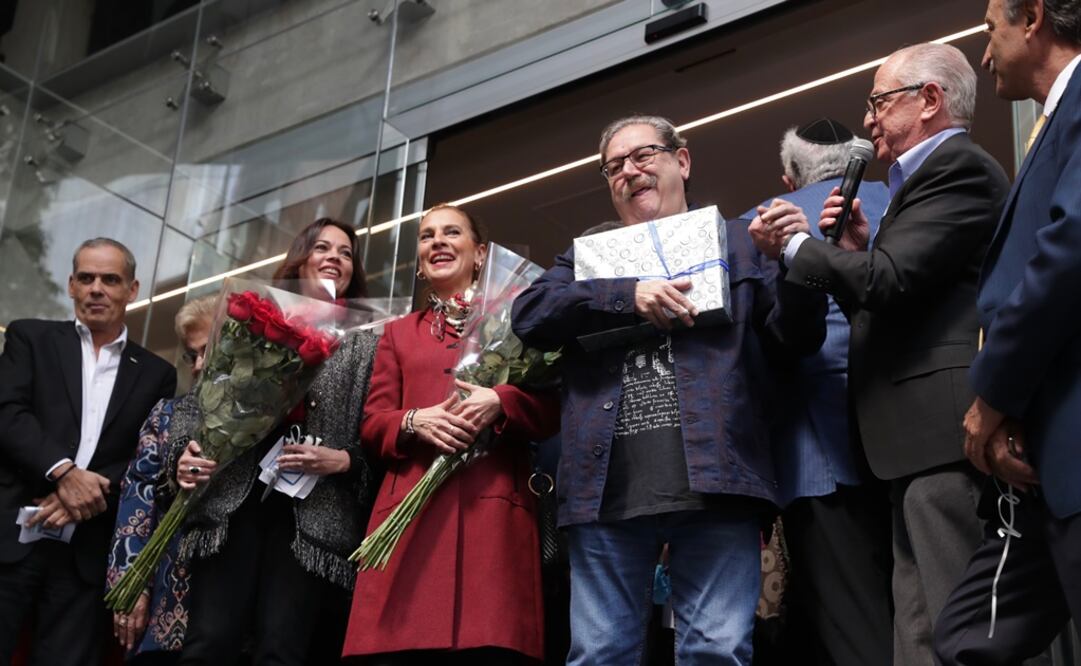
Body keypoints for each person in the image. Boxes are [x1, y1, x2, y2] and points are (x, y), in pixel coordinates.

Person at [511, 115, 827, 665]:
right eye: (614, 167)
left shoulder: (743, 241)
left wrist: (794, 257)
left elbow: (796, 340)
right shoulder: (585, 257)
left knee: (718, 649)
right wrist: (627, 294)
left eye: (643, 156)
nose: (629, 172)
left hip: (719, 478)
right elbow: (529, 313)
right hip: (604, 487)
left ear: (681, 160)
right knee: (599, 654)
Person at [749, 43, 1011, 665]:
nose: (867, 122)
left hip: (941, 439)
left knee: (955, 626)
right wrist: (861, 248)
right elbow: (899, 283)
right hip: (906, 450)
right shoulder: (918, 184)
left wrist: (795, 248)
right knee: (916, 633)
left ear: (928, 100)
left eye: (878, 102)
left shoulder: (959, 168)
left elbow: (888, 282)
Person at [342, 204, 560, 666]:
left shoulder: (520, 319)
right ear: (420, 262)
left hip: (493, 515)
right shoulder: (399, 334)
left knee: (489, 648)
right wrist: (412, 421)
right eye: (426, 237)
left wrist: (502, 401)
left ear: (480, 253)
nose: (437, 242)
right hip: (409, 520)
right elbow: (372, 425)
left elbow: (552, 410)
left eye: (451, 233)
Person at [933, 0, 1081, 662]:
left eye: (991, 33)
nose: (985, 55)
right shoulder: (1054, 123)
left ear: (1034, 19)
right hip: (1045, 456)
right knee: (965, 638)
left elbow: (1066, 254)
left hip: (1068, 441)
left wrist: (990, 400)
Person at [169, 218, 380, 666]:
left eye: (345, 253)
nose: (334, 258)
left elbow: (378, 426)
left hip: (311, 514)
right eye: (322, 247)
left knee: (281, 650)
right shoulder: (256, 315)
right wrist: (183, 453)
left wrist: (344, 459)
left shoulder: (369, 343)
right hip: (235, 502)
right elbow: (197, 402)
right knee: (209, 642)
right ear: (300, 260)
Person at [743, 118, 894, 666]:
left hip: (816, 457)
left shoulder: (756, 224)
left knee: (855, 629)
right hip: (908, 440)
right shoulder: (903, 197)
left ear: (789, 177)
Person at [0, 238, 177, 665]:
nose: (97, 288)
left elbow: (146, 458)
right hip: (10, 541)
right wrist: (64, 473)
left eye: (110, 279)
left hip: (85, 555)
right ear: (71, 286)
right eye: (87, 278)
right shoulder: (31, 337)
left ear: (132, 290)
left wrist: (85, 493)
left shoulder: (157, 373)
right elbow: (8, 413)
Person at [106, 295, 216, 664]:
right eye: (191, 355)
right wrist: (130, 584)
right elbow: (136, 500)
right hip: (164, 600)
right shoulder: (167, 414)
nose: (199, 365)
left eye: (208, 350)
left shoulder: (264, 421)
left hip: (227, 604)